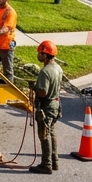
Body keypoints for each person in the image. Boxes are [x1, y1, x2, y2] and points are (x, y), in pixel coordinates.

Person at [29, 40, 63, 174]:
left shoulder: (45, 71)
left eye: (40, 53)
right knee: (52, 132)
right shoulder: (58, 68)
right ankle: (54, 161)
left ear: (46, 55)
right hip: (55, 104)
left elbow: (43, 92)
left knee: (44, 134)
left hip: (46, 105)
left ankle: (46, 164)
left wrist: (34, 88)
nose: (38, 55)